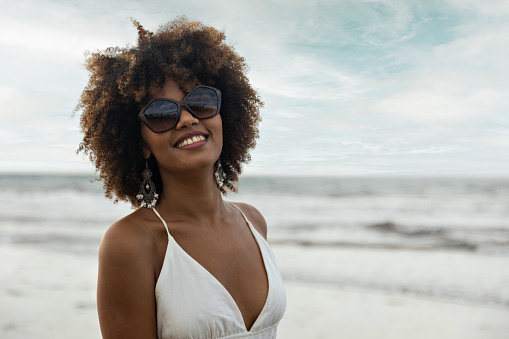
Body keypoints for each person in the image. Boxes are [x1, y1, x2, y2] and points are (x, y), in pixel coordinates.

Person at [76, 17, 286, 339]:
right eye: (161, 113)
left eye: (200, 102)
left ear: (223, 114)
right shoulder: (131, 244)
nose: (187, 119)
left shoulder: (254, 222)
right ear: (141, 143)